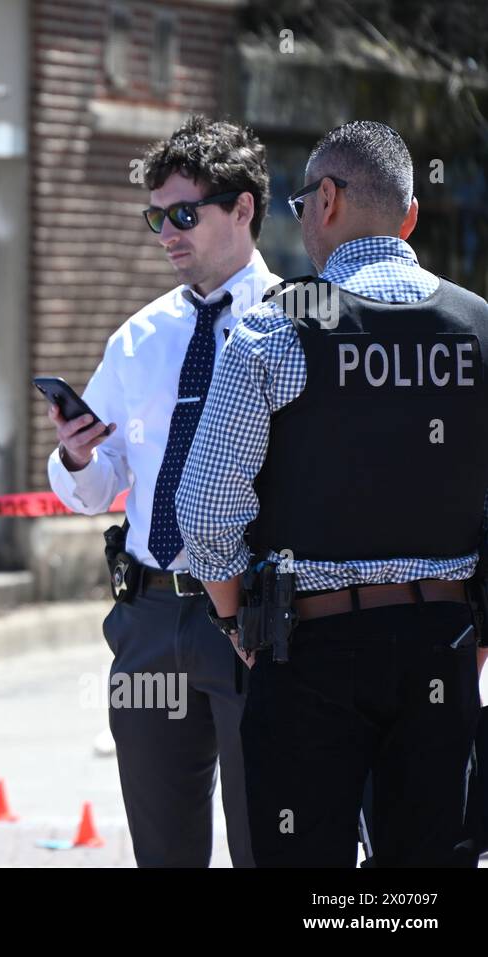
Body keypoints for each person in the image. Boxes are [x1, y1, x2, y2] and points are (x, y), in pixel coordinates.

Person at [176, 120, 488, 867]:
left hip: (309, 653)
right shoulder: (479, 328)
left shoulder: (275, 327)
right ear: (409, 217)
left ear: (329, 200)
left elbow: (206, 505)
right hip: (443, 648)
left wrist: (234, 622)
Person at [47, 115, 278, 867]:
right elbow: (96, 488)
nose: (167, 234)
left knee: (266, 843)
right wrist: (78, 459)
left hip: (253, 618)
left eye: (185, 214)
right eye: (157, 218)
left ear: (242, 210)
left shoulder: (296, 324)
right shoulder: (138, 338)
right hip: (149, 618)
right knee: (163, 851)